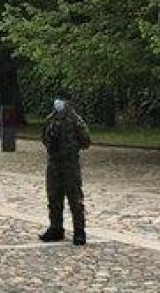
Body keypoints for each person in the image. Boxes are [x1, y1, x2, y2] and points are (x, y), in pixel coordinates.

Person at [39, 90, 92, 246]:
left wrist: (72, 146)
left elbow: (86, 141)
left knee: (75, 199)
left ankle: (79, 231)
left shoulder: (76, 121)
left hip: (70, 165)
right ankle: (56, 228)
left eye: (61, 100)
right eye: (57, 99)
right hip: (54, 163)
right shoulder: (50, 119)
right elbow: (43, 138)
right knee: (53, 197)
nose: (58, 103)